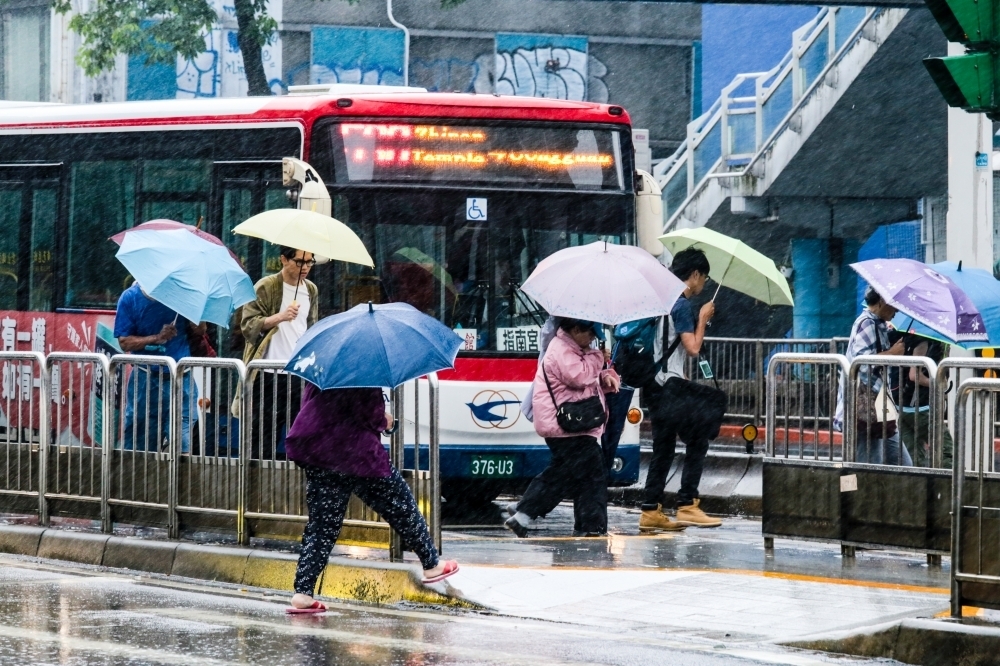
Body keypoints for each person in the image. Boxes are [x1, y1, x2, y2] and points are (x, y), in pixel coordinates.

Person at [285, 384, 458, 613]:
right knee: (400, 505)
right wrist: (386, 420)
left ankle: (303, 593)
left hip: (319, 452)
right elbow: (368, 412)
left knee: (321, 527)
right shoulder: (363, 368)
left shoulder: (322, 369)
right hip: (357, 455)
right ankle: (432, 564)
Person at [505, 319, 621, 538]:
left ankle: (530, 512)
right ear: (576, 329)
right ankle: (586, 525)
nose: (593, 340)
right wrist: (598, 357)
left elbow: (589, 381)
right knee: (587, 473)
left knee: (573, 472)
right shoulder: (561, 348)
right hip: (565, 425)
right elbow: (580, 377)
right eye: (590, 334)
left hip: (574, 423)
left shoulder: (577, 347)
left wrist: (607, 377)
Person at [639, 247, 720, 531]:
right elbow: (693, 347)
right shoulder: (682, 304)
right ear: (695, 274)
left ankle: (651, 509)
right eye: (704, 278)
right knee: (698, 439)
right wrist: (703, 318)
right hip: (669, 387)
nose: (703, 284)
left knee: (664, 448)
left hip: (655, 385)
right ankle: (687, 504)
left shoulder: (660, 298)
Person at [240, 247, 319, 459]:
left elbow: (311, 327)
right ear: (283, 259)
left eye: (310, 262)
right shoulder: (266, 286)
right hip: (266, 373)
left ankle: (295, 485)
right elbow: (248, 326)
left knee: (301, 436)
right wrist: (280, 317)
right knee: (262, 438)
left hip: (298, 373)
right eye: (300, 262)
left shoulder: (311, 290)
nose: (305, 267)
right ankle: (256, 487)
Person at [115, 282, 202, 452]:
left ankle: (179, 476)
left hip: (181, 380)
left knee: (182, 443)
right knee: (142, 444)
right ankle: (140, 477)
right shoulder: (130, 297)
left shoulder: (185, 294)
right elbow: (124, 342)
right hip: (145, 380)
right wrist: (156, 337)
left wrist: (195, 316)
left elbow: (200, 330)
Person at [834, 287, 911, 465]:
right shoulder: (866, 322)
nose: (897, 310)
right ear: (882, 301)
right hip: (864, 409)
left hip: (879, 408)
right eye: (894, 305)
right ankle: (853, 492)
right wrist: (891, 353)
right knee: (869, 467)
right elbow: (862, 363)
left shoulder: (878, 324)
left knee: (902, 465)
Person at [899, 334, 952, 468]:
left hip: (904, 406)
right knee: (945, 451)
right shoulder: (923, 341)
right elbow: (915, 376)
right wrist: (939, 384)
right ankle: (948, 486)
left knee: (913, 458)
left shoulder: (914, 337)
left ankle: (919, 487)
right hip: (920, 407)